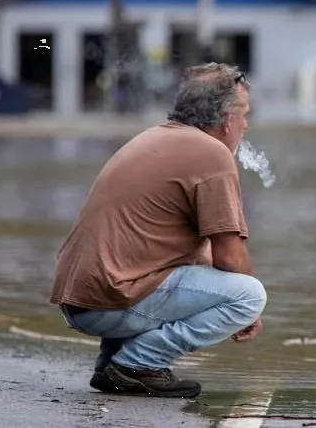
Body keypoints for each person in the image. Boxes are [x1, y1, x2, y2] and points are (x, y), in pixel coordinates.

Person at [49, 62, 266, 398]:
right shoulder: (211, 154)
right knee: (250, 294)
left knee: (180, 269)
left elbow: (203, 254)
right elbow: (230, 256)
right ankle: (138, 364)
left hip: (82, 298)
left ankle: (112, 365)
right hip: (108, 301)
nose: (246, 125)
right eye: (245, 115)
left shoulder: (156, 137)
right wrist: (249, 312)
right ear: (226, 121)